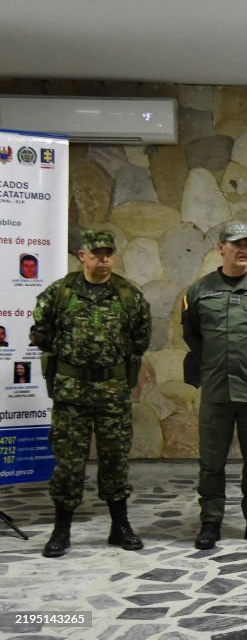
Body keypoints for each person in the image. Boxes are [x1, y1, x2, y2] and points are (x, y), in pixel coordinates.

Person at [33, 229, 151, 557]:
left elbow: (140, 339)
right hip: (71, 393)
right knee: (69, 463)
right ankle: (61, 530)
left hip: (112, 392)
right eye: (97, 253)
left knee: (115, 459)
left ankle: (120, 526)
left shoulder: (129, 295)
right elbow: (42, 333)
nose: (104, 259)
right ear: (82, 255)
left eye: (108, 253)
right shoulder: (60, 293)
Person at [182, 221, 247, 550]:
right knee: (211, 461)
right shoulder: (199, 291)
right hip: (217, 388)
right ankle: (210, 521)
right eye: (236, 244)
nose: (243, 250)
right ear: (221, 248)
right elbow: (192, 336)